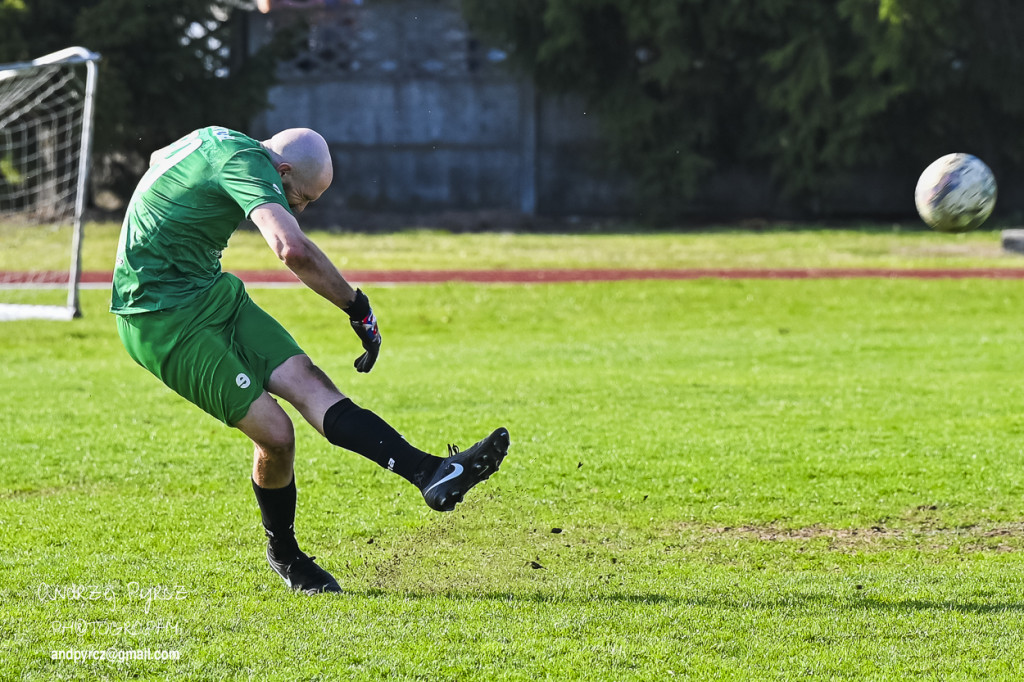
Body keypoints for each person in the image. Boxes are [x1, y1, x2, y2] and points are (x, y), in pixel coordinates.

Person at [111, 126, 509, 594]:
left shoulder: (221, 140)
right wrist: (356, 306)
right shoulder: (248, 164)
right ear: (280, 169)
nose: (299, 208)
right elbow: (291, 248)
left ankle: (431, 473)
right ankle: (285, 555)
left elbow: (161, 154)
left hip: (209, 290)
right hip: (158, 317)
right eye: (299, 196)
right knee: (277, 437)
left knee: (310, 382)